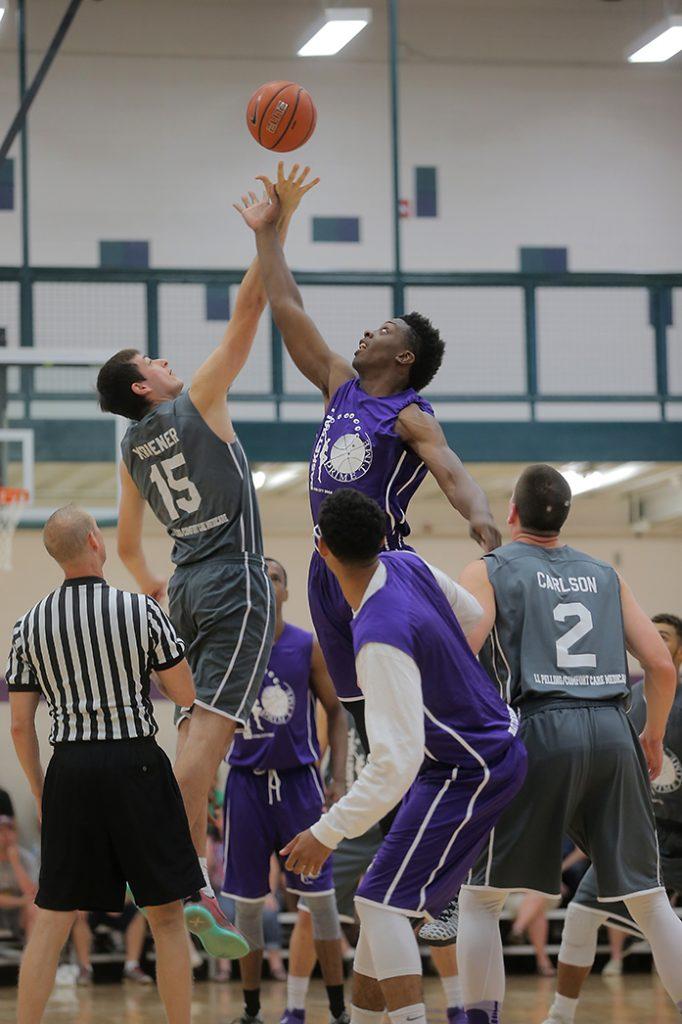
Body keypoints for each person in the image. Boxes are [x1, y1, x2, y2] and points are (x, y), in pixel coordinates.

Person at [96, 165, 318, 955]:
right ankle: (167, 867)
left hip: (186, 588)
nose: (165, 360)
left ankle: (188, 884)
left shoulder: (129, 448)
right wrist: (273, 224)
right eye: (152, 360)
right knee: (210, 742)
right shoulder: (196, 401)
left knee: (196, 735)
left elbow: (126, 546)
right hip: (233, 582)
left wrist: (160, 588)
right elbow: (254, 306)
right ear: (143, 384)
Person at [234, 163, 501, 749]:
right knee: (359, 715)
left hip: (380, 565)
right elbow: (286, 306)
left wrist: (480, 517)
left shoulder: (411, 414)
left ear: (403, 357)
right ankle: (390, 822)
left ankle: (448, 775)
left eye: (381, 330)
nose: (365, 334)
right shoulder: (338, 383)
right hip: (324, 566)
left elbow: (453, 472)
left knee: (401, 701)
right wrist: (266, 234)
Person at [280, 489, 527, 1024]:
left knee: (378, 904)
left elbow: (395, 761)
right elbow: (473, 611)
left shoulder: (377, 635)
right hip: (469, 756)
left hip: (471, 767)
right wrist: (441, 675)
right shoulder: (407, 563)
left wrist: (327, 831)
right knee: (380, 907)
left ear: (321, 549)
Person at [454, 464, 682, 1024]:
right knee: (648, 899)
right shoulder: (606, 574)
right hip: (611, 728)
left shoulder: (491, 568)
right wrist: (651, 735)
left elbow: (462, 651)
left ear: (511, 513)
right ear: (566, 516)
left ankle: (482, 1017)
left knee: (481, 897)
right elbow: (658, 664)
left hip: (537, 726)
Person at [5, 505, 205, 1024]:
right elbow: (183, 693)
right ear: (95, 541)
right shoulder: (141, 611)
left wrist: (44, 789)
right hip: (137, 762)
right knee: (165, 916)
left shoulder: (28, 625)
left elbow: (21, 727)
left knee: (52, 916)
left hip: (70, 769)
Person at [221, 557, 349, 1024]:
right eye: (260, 576)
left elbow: (336, 711)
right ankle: (251, 1010)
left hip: (299, 785)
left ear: (287, 591)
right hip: (245, 787)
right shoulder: (233, 646)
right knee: (250, 907)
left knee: (321, 902)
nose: (267, 581)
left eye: (276, 575)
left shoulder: (306, 646)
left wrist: (336, 776)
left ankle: (337, 1011)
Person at [542, 611, 682, 1024]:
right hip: (638, 833)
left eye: (663, 637)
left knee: (658, 924)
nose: (653, 642)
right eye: (649, 635)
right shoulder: (626, 694)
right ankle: (560, 1014)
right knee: (582, 914)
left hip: (677, 836)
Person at [71, 899, 153, 986]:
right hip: (93, 906)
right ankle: (85, 968)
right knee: (79, 914)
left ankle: (132, 966)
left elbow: (131, 893)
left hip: (118, 906)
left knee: (138, 914)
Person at [0, 816, 38, 944]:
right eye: (1, 831)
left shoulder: (26, 858)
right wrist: (21, 901)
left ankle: (31, 959)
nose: (6, 836)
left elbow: (32, 892)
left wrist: (15, 863)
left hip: (19, 914)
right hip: (7, 908)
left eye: (10, 830)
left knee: (34, 907)